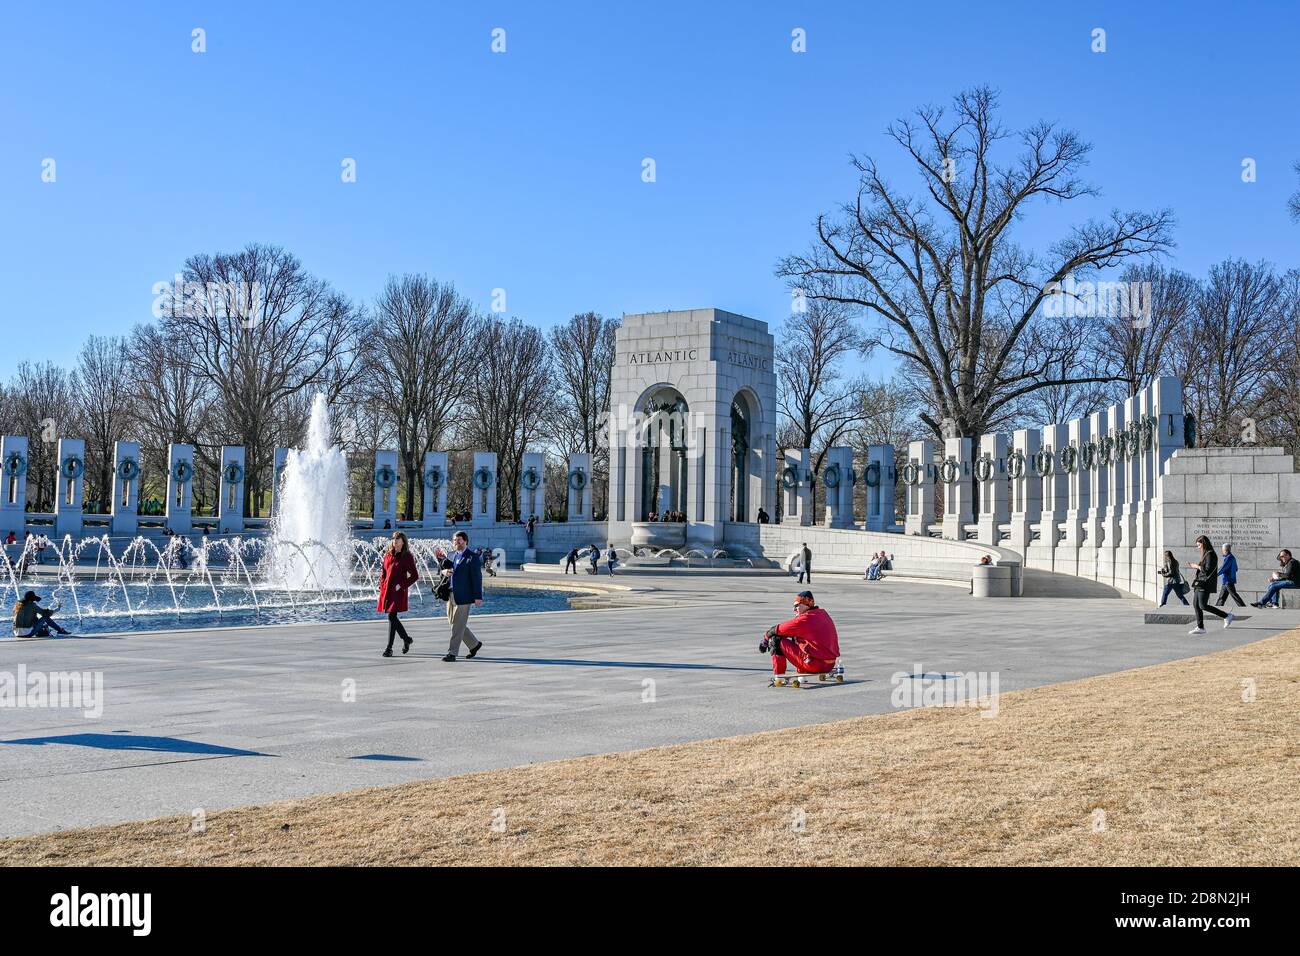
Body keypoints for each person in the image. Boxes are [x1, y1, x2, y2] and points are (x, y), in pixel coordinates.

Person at [760, 590, 841, 687]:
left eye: (797, 605)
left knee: (775, 640)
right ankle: (801, 676)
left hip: (815, 665)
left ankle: (779, 677)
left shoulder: (805, 619)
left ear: (806, 604)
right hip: (830, 664)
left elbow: (776, 630)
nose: (794, 609)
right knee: (799, 637)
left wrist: (765, 640)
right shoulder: (822, 614)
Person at [440, 530, 484, 662]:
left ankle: (452, 653)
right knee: (454, 623)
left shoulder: (472, 557)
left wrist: (478, 596)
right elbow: (441, 570)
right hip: (450, 594)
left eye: (459, 540)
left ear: (465, 541)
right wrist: (444, 571)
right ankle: (474, 644)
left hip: (464, 596)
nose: (456, 542)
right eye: (454, 540)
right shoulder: (451, 555)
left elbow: (477, 578)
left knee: (457, 625)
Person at [376, 531, 419, 657]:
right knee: (392, 617)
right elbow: (383, 572)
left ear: (403, 541)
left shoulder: (407, 556)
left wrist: (401, 585)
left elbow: (415, 576)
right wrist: (382, 585)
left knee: (391, 617)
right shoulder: (388, 555)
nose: (395, 541)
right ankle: (406, 639)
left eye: (398, 539)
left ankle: (389, 648)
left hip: (398, 591)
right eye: (394, 538)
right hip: (387, 590)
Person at [1188, 534, 1233, 635]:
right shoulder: (1206, 554)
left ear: (1203, 544)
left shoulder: (1210, 554)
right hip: (1200, 583)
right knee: (1196, 604)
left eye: (1199, 545)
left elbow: (1208, 570)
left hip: (1205, 583)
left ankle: (1226, 616)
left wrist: (1197, 566)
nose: (1198, 547)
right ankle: (1200, 627)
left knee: (1203, 605)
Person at [1216, 543, 1245, 607]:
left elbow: (1223, 568)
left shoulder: (1229, 558)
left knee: (1234, 595)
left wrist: (1215, 575)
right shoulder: (1232, 557)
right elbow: (1236, 569)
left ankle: (1243, 607)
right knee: (1222, 597)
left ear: (1224, 550)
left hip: (1227, 580)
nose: (1222, 551)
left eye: (1222, 550)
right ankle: (1218, 607)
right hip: (1228, 580)